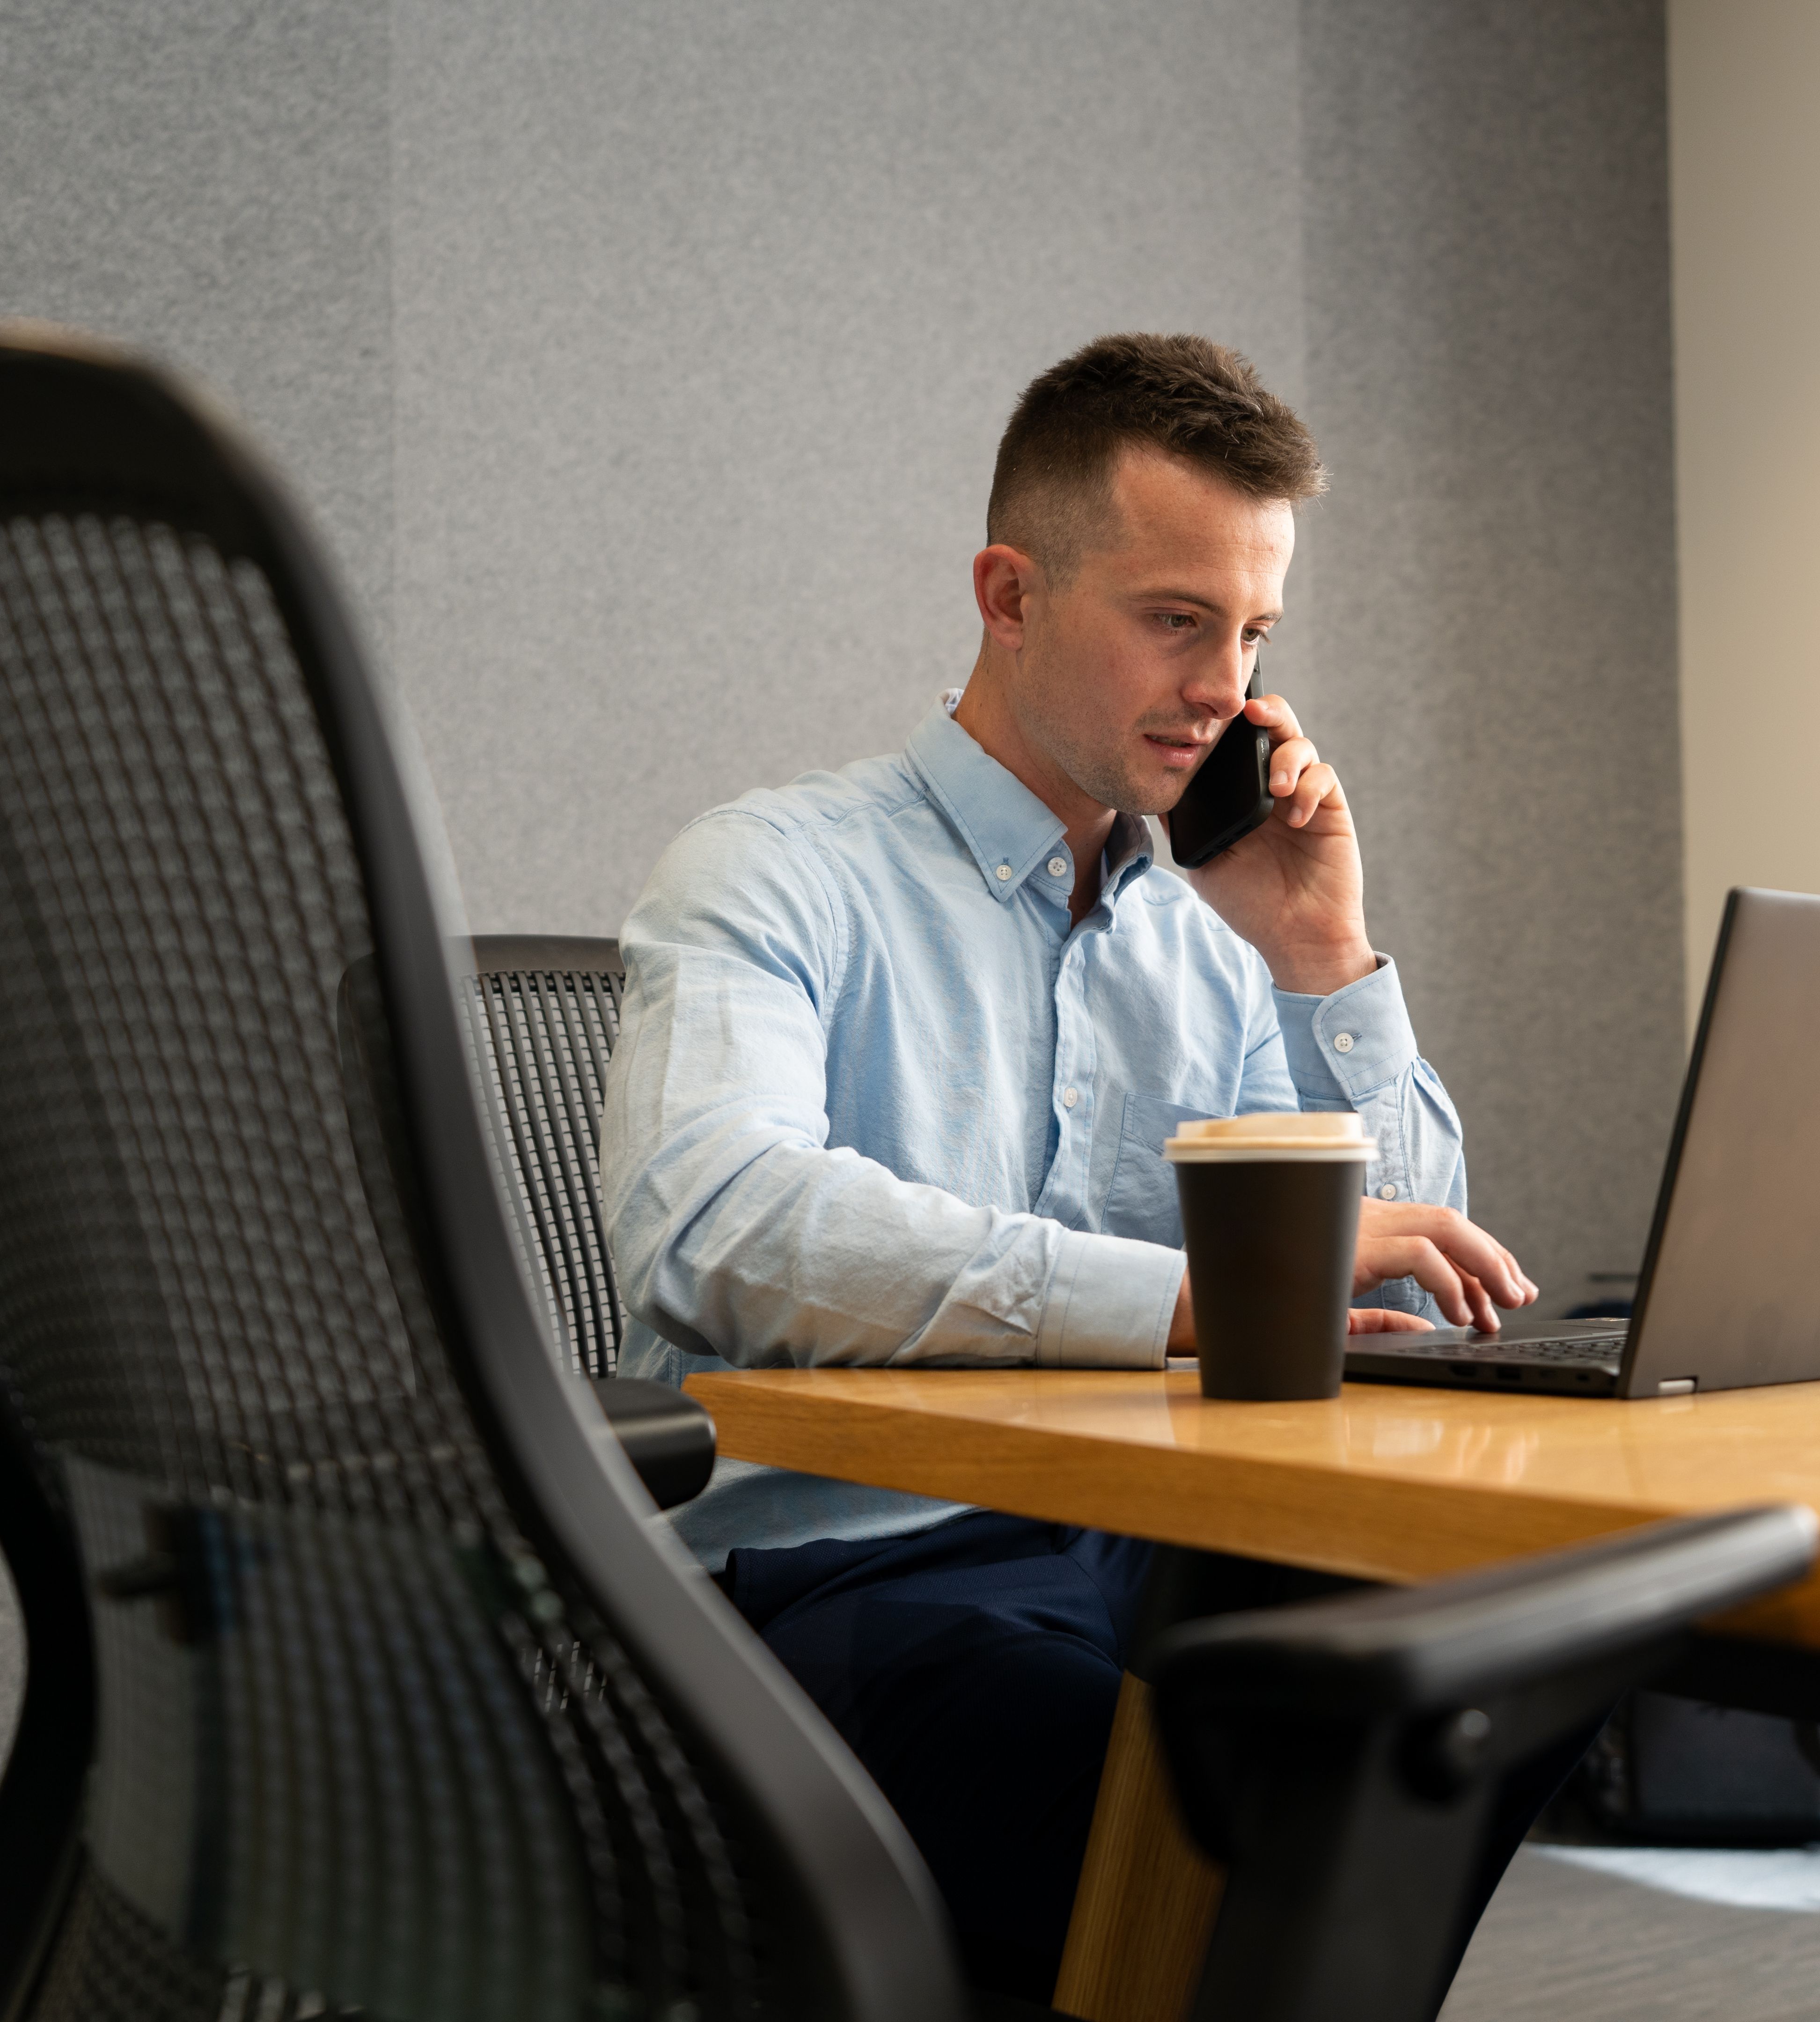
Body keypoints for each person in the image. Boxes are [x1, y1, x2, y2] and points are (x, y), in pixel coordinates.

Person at [602, 332, 1536, 1995]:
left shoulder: (1213, 929)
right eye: (1176, 620)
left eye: (1252, 634)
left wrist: (1325, 952)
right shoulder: (775, 870)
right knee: (1235, 1847)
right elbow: (715, 1217)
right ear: (1010, 595)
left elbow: (1431, 1261)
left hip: (1154, 1553)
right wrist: (1192, 1299)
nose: (1223, 687)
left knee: (1476, 1706)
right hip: (855, 1567)